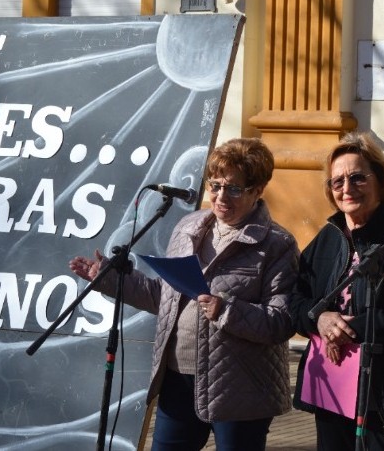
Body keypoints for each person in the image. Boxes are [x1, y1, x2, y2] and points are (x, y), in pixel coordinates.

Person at [69, 138, 299, 451]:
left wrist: (225, 310)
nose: (220, 196)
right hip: (178, 379)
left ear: (257, 190)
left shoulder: (276, 244)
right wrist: (108, 279)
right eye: (215, 185)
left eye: (233, 189)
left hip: (240, 388)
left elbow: (282, 322)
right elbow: (162, 298)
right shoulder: (189, 227)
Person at [289, 131, 384, 450]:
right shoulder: (328, 238)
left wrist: (353, 328)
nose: (347, 189)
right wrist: (319, 320)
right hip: (333, 388)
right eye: (337, 182)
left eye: (357, 178)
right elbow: (295, 301)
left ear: (380, 180)